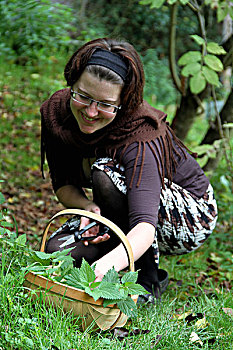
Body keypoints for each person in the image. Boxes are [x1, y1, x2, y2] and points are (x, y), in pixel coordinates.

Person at [40, 38, 218, 301]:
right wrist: (88, 208)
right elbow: (63, 184)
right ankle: (118, 247)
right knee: (56, 250)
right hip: (117, 202)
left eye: (105, 104)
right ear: (72, 84)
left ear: (123, 102)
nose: (90, 112)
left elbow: (145, 225)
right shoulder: (57, 115)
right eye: (83, 96)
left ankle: (146, 281)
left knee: (105, 172)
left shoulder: (140, 133)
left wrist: (105, 268)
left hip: (190, 213)